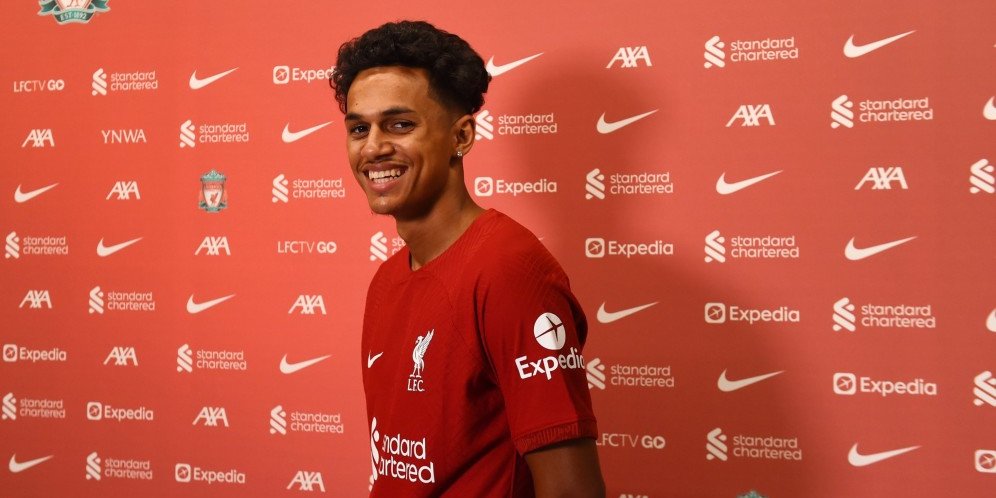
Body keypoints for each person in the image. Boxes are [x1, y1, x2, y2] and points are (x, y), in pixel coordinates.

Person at [330, 20, 605, 497]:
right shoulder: (387, 280)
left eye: (400, 125)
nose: (373, 147)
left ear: (461, 137)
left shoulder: (508, 270)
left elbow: (572, 490)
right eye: (359, 128)